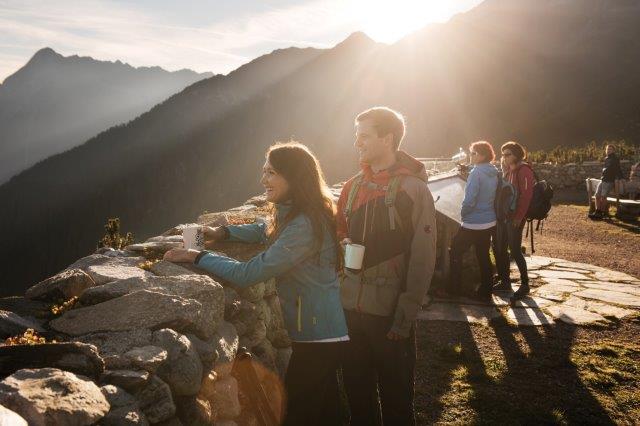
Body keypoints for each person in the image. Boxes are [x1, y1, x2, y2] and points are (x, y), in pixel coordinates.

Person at [163, 142, 348, 426]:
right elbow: (265, 229)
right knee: (327, 412)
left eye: (271, 173)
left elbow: (248, 273)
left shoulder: (304, 226)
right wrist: (223, 231)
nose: (263, 180)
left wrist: (197, 255)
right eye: (264, 172)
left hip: (318, 336)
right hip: (320, 331)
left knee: (299, 413)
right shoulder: (297, 213)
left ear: (294, 177)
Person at [336, 107, 437, 425]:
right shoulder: (351, 187)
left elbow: (423, 257)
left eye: (364, 136)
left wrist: (405, 315)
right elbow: (339, 230)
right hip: (350, 312)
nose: (357, 143)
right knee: (358, 398)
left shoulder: (414, 190)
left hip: (390, 314)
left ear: (387, 138)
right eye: (357, 135)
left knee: (397, 403)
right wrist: (341, 244)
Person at [435, 141, 499, 302]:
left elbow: (470, 199)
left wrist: (462, 214)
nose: (470, 156)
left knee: (455, 251)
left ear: (482, 155)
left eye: (473, 153)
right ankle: (486, 290)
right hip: (489, 221)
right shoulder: (494, 171)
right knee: (483, 254)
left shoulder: (476, 173)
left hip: (473, 222)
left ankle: (453, 289)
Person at [493, 141, 534, 299]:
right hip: (506, 216)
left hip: (515, 218)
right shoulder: (509, 170)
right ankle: (505, 281)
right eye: (503, 154)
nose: (504, 157)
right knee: (501, 247)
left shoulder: (524, 170)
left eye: (508, 154)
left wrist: (519, 217)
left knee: (515, 250)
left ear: (517, 154)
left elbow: (526, 196)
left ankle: (525, 285)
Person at [590, 144, 624, 219]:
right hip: (603, 179)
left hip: (609, 181)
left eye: (610, 149)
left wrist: (619, 179)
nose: (608, 151)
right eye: (607, 149)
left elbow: (618, 170)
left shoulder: (615, 159)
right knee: (597, 196)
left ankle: (602, 213)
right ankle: (597, 211)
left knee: (603, 197)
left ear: (613, 150)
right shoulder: (606, 158)